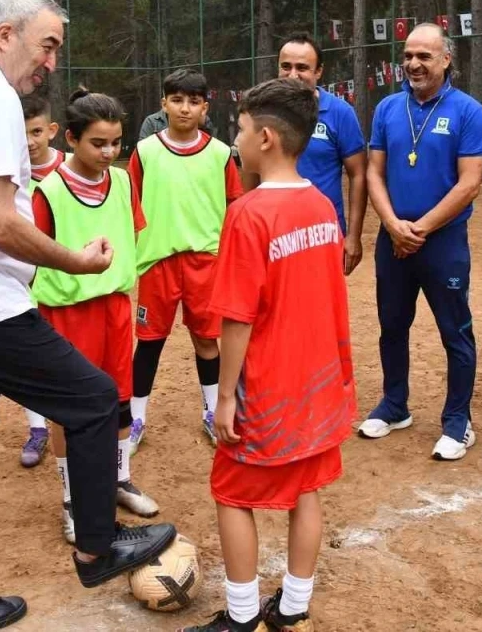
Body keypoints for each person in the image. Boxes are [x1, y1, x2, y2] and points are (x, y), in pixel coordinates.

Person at [0, 0, 175, 631]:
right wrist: (75, 260)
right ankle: (98, 546)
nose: (51, 63)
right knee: (95, 398)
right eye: (46, 46)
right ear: (6, 34)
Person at [179, 78, 356, 632]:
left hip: (267, 386)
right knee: (306, 490)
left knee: (231, 493)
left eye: (241, 129)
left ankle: (240, 617)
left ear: (267, 139)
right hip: (317, 382)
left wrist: (225, 397)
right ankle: (294, 605)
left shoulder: (250, 213)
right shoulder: (322, 205)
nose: (235, 140)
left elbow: (237, 318)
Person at [31, 88, 159, 544]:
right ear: (70, 138)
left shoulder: (122, 182)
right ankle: (72, 500)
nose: (108, 152)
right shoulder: (48, 191)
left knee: (119, 400)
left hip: (114, 308)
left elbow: (134, 233)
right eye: (97, 143)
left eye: (116, 142)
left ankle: (119, 480)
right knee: (70, 411)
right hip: (67, 313)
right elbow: (32, 255)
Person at [359, 23, 482, 461]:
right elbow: (374, 172)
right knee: (392, 326)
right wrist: (393, 224)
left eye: (424, 56)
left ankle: (458, 421)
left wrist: (419, 230)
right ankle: (394, 406)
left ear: (446, 60)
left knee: (455, 331)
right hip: (392, 239)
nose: (413, 64)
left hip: (443, 243)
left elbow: (469, 183)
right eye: (408, 56)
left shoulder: (468, 111)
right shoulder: (388, 108)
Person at [128, 68, 244, 452]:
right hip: (158, 262)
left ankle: (212, 411)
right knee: (149, 342)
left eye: (193, 102)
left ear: (204, 108)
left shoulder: (220, 153)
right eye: (176, 100)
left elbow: (234, 207)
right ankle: (135, 417)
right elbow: (130, 204)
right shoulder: (145, 151)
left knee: (206, 340)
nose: (184, 108)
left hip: (205, 263)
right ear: (163, 104)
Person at [273, 33, 368, 275]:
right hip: (273, 234)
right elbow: (251, 177)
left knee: (321, 298)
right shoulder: (263, 112)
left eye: (302, 67)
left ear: (318, 71)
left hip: (323, 233)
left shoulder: (340, 113)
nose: (293, 74)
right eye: (286, 66)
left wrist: (353, 235)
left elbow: (358, 174)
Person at [19, 92, 66, 468]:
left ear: (51, 130)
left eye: (36, 132)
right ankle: (37, 428)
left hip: (68, 280)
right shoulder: (9, 174)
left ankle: (75, 419)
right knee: (31, 356)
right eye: (21, 134)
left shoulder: (70, 168)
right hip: (24, 280)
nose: (30, 142)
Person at [137, 105, 218, 141]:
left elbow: (212, 145)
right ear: (165, 103)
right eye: (176, 100)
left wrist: (202, 125)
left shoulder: (200, 118)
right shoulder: (152, 121)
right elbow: (142, 151)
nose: (184, 108)